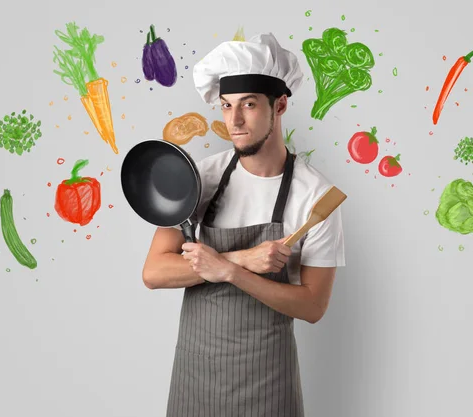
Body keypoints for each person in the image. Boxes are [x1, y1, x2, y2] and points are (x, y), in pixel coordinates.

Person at [142, 32, 346, 417]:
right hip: (196, 372)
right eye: (225, 106)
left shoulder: (315, 197)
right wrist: (239, 259)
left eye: (248, 105)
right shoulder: (199, 178)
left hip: (267, 379)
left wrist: (230, 272)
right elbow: (154, 272)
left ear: (280, 105)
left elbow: (313, 305)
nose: (233, 121)